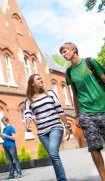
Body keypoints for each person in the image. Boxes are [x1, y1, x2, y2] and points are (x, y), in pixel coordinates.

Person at [59, 42, 105, 180]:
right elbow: (74, 93)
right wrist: (77, 114)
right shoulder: (68, 72)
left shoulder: (90, 63)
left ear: (73, 50)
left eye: (65, 51)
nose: (63, 54)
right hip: (86, 113)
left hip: (103, 108)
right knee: (94, 147)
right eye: (62, 53)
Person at [24, 74, 70, 181]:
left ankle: (62, 179)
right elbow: (27, 114)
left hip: (55, 127)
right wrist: (27, 124)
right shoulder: (29, 100)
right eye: (38, 79)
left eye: (41, 78)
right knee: (53, 156)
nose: (41, 80)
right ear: (32, 84)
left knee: (53, 153)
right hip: (42, 132)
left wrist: (67, 126)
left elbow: (60, 110)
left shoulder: (50, 93)